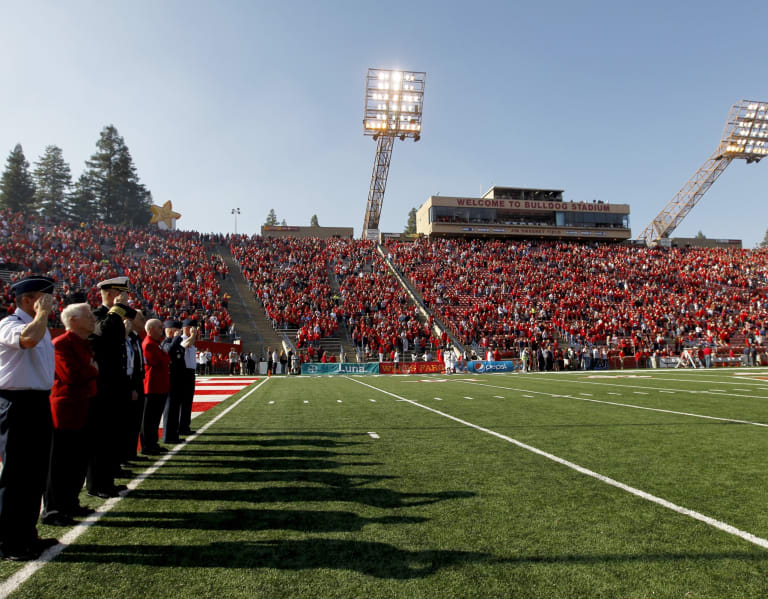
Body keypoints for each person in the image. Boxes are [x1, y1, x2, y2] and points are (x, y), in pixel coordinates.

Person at [0, 275, 58, 560]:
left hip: (37, 402)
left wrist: (42, 315)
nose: (51, 303)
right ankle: (8, 542)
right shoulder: (10, 324)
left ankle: (26, 534)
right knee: (15, 475)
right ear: (26, 300)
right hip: (16, 404)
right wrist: (43, 312)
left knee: (34, 474)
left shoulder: (41, 324)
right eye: (45, 298)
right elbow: (28, 340)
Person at [43, 303, 98, 526]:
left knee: (78, 459)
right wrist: (93, 370)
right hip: (65, 411)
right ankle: (54, 509)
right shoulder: (61, 344)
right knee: (61, 462)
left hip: (83, 406)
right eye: (88, 316)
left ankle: (70, 502)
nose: (93, 319)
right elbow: (72, 375)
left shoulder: (85, 345)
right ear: (73, 320)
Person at [87, 276, 131, 499]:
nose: (125, 298)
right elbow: (102, 332)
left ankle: (108, 481)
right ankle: (97, 484)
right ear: (111, 293)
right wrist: (118, 309)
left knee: (111, 436)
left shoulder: (114, 315)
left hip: (114, 383)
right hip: (102, 384)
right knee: (101, 438)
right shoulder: (96, 315)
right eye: (121, 294)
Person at [140, 319, 170, 455]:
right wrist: (165, 357)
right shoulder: (149, 344)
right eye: (159, 327)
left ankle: (153, 442)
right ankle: (147, 445)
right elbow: (161, 362)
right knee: (149, 418)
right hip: (152, 386)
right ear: (151, 329)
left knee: (155, 418)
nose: (161, 330)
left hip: (159, 385)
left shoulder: (155, 344)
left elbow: (165, 359)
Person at [161, 320, 186, 444]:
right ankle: (167, 436)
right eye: (177, 330)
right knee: (170, 409)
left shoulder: (178, 344)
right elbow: (169, 351)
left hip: (178, 381)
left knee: (175, 409)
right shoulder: (166, 343)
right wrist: (176, 339)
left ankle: (173, 435)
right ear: (170, 331)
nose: (179, 333)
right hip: (170, 381)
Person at [178, 319, 198, 436]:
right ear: (186, 328)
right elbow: (186, 345)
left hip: (190, 373)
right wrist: (192, 335)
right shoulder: (182, 339)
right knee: (184, 401)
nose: (193, 329)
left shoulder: (191, 339)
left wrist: (193, 336)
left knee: (188, 401)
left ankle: (185, 425)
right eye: (191, 327)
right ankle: (182, 426)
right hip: (184, 373)